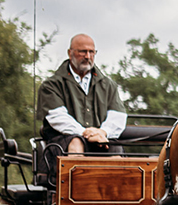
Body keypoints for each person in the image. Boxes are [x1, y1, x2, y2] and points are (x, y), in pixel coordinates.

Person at [37, 34, 127, 178]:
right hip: (62, 143)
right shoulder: (52, 85)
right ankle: (76, 195)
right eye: (82, 52)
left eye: (91, 52)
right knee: (76, 142)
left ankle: (115, 194)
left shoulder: (108, 85)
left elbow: (118, 116)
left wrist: (102, 133)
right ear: (70, 53)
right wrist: (87, 134)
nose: (87, 56)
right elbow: (58, 117)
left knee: (113, 148)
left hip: (100, 140)